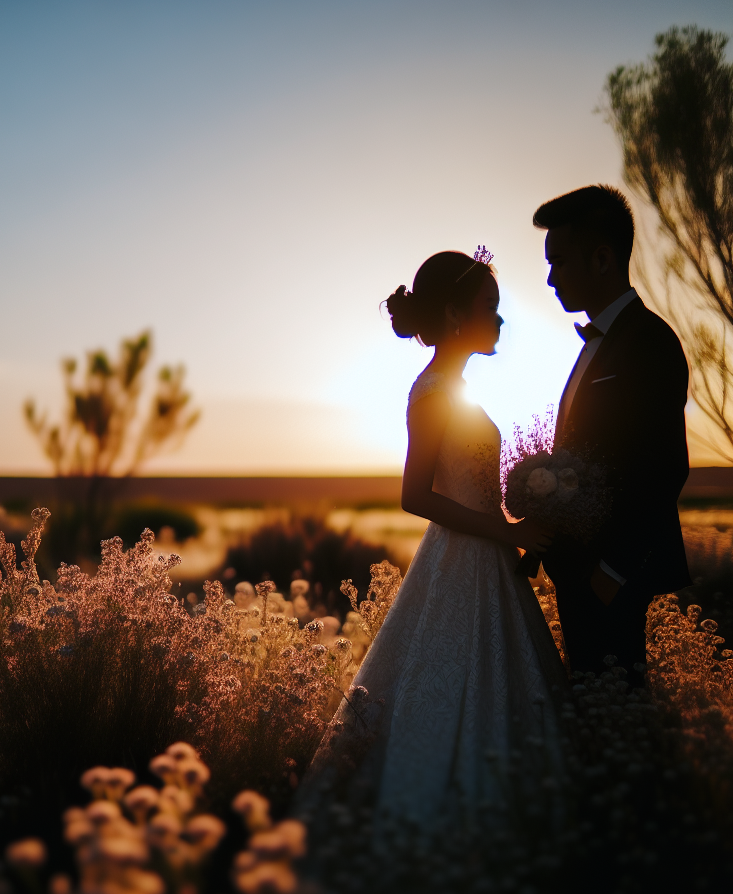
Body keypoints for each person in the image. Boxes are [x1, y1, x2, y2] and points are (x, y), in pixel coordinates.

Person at [295, 249, 567, 833]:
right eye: (488, 308)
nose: (499, 321)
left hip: (486, 555)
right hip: (461, 559)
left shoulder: (454, 388)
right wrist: (507, 530)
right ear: (451, 315)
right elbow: (414, 496)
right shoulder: (434, 392)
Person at [531, 185, 691, 685]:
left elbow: (663, 466)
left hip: (612, 576)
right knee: (588, 699)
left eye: (558, 261)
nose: (550, 277)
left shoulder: (648, 342)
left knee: (616, 697)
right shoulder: (596, 344)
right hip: (578, 569)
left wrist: (612, 573)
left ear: (602, 259)